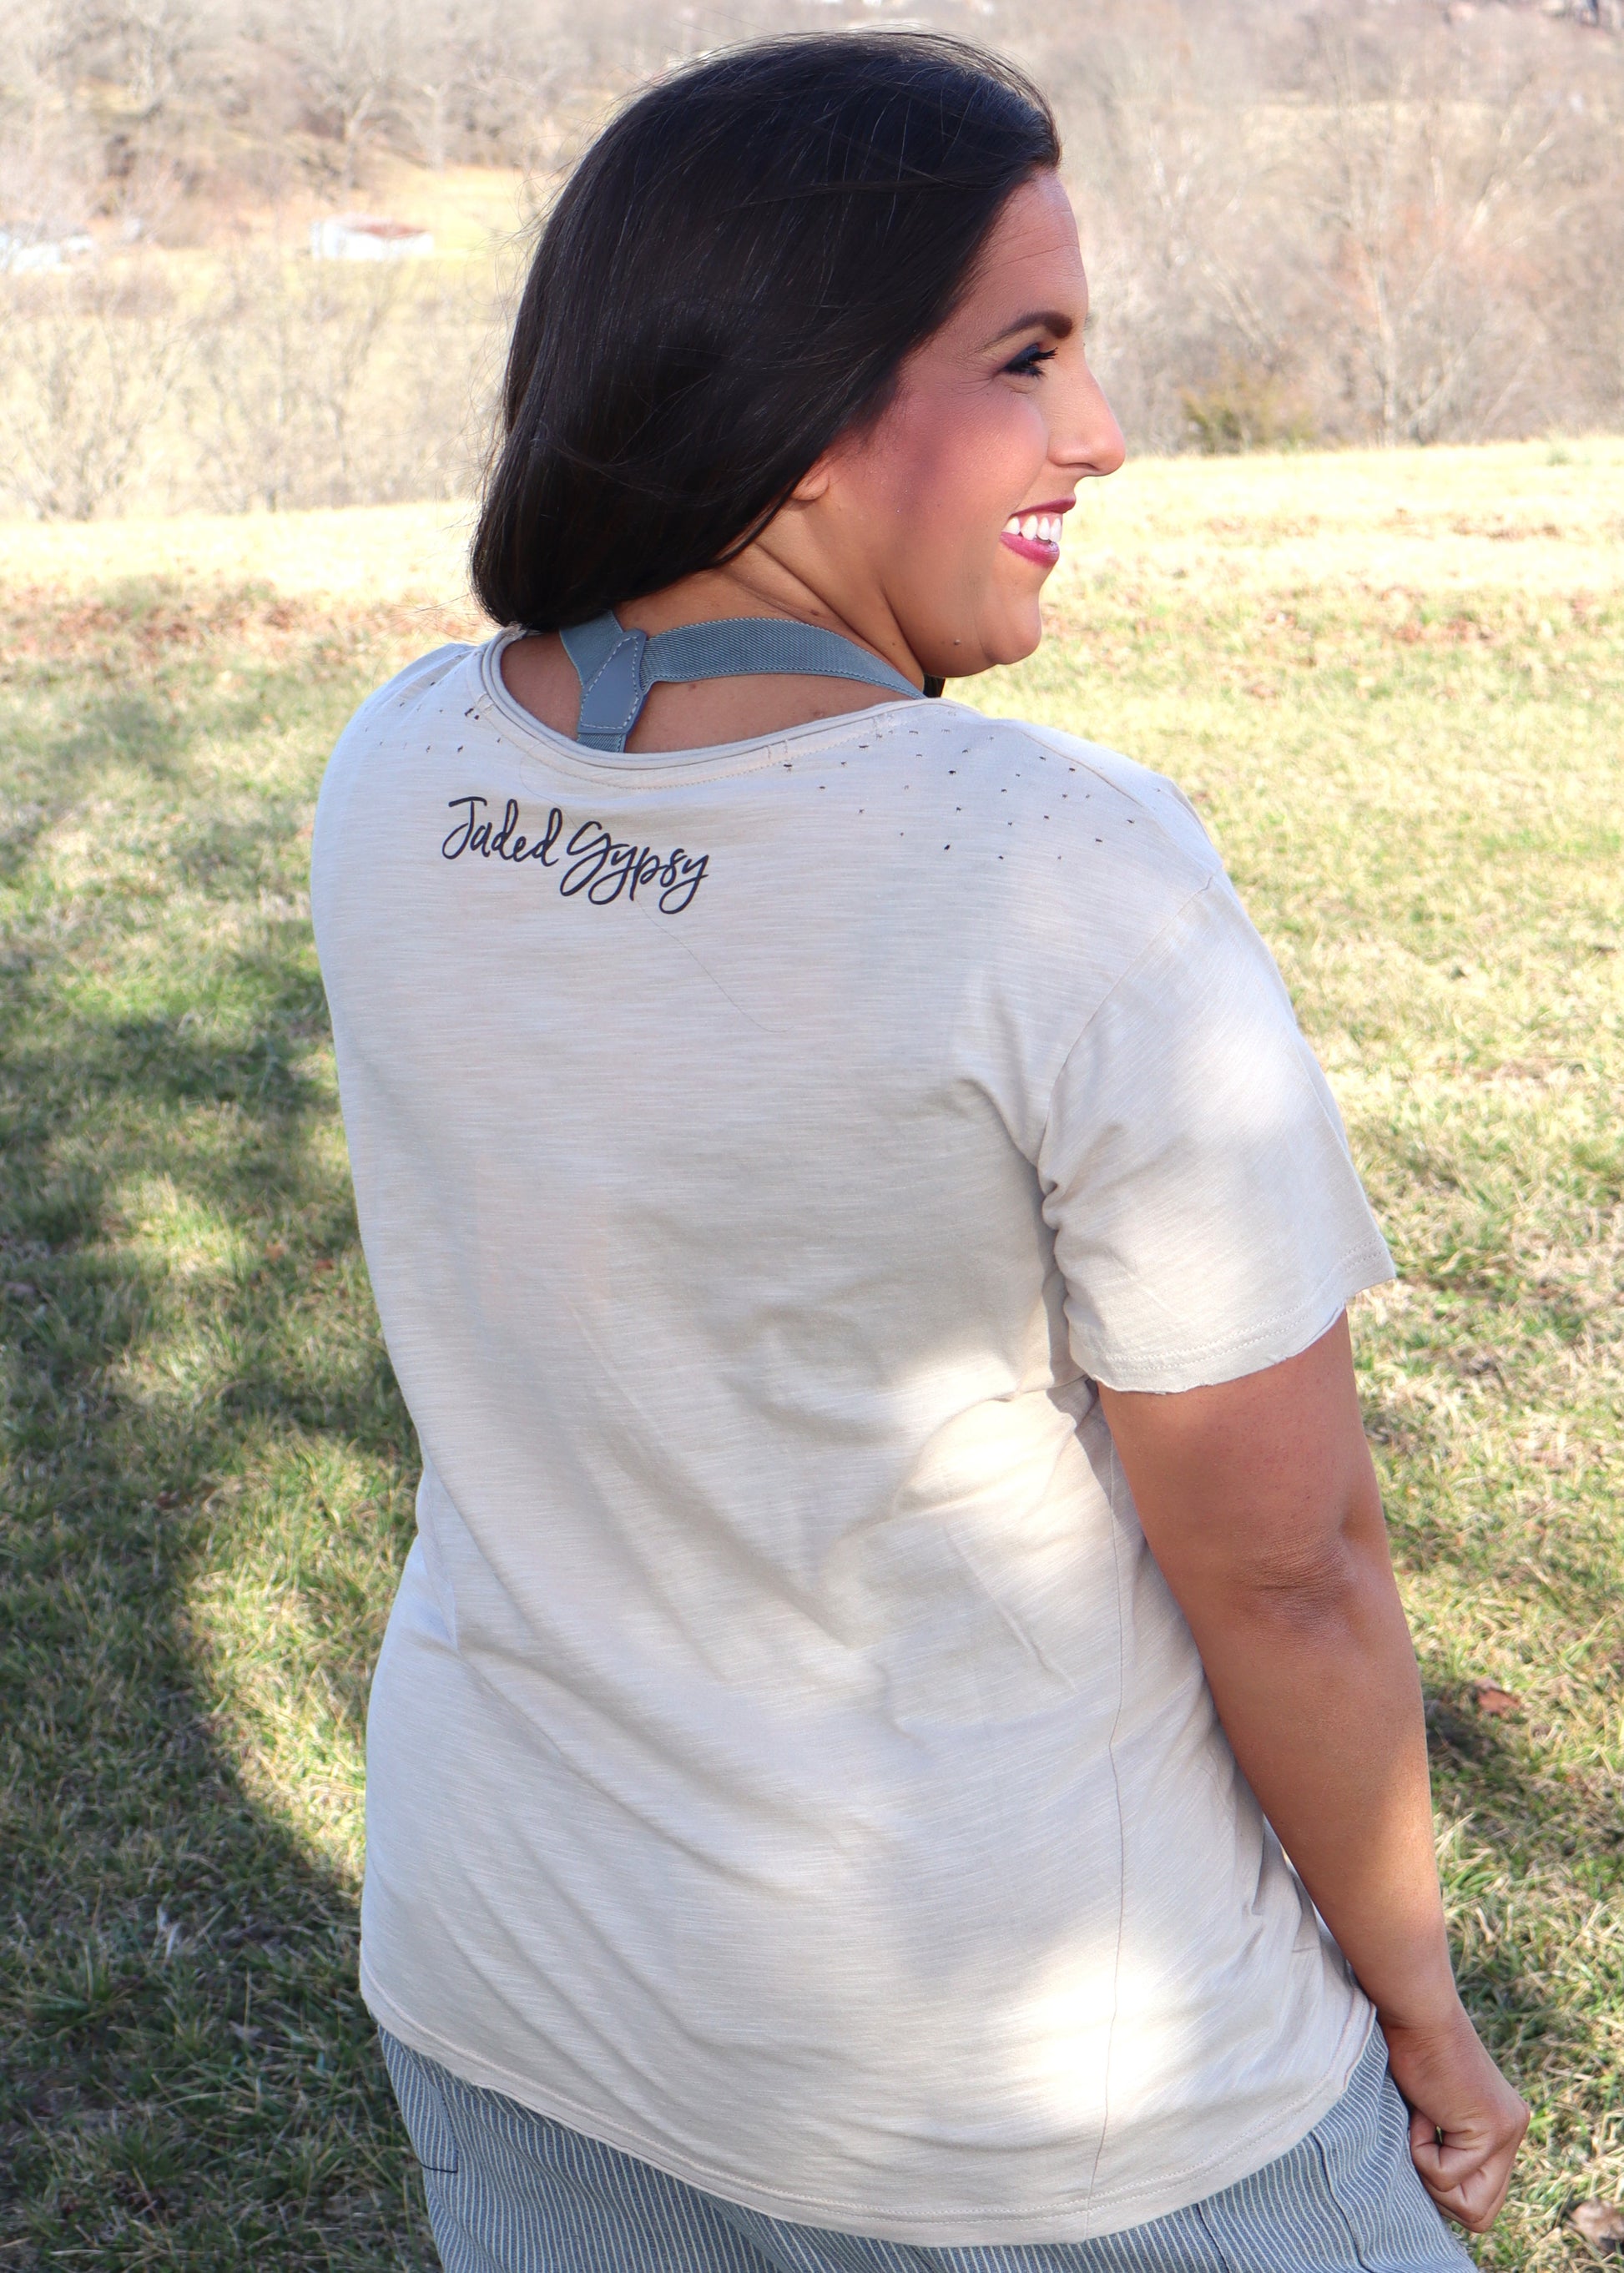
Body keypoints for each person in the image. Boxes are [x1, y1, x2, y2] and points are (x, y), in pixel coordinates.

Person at [310, 32, 1527, 2273]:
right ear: (790, 401)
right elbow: (1290, 1567)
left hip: (519, 1978)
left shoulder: (396, 766)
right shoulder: (1054, 868)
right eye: (1026, 356)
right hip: (1036, 2093)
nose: (1100, 430)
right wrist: (1421, 2014)